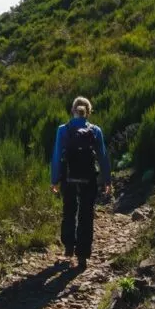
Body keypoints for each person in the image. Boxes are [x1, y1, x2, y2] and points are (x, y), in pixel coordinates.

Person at [50, 96, 111, 270]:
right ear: (88, 112)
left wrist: (55, 180)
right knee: (86, 214)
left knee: (69, 209)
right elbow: (103, 157)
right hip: (89, 177)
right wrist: (107, 180)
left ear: (72, 111)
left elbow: (56, 156)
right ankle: (83, 255)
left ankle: (69, 245)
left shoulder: (63, 130)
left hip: (68, 178)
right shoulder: (96, 130)